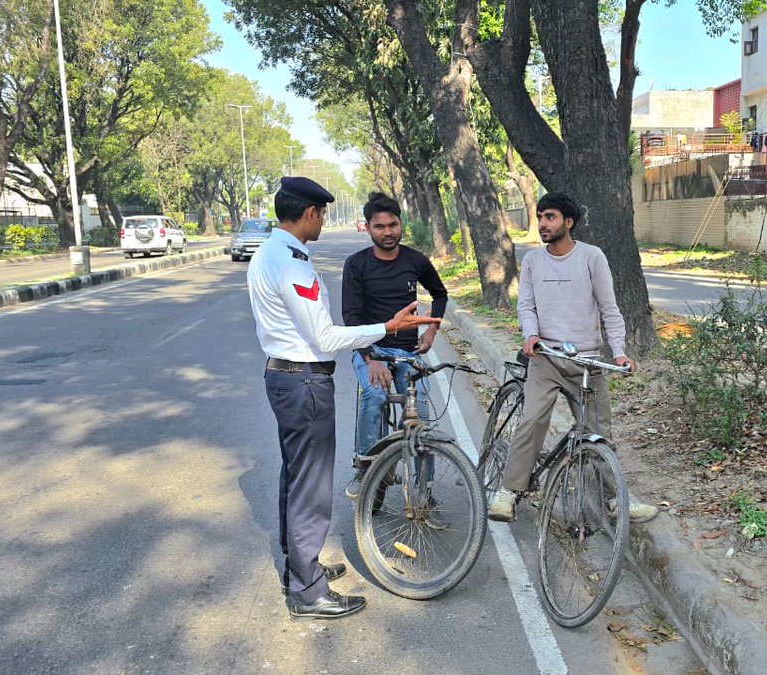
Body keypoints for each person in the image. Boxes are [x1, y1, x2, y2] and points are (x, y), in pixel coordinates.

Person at [247, 176, 440, 621]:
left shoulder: (269, 252)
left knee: (295, 479)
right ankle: (308, 593)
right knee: (310, 487)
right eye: (320, 214)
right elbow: (327, 335)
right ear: (311, 213)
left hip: (286, 376)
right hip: (303, 383)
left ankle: (300, 570)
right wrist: (387, 329)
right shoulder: (291, 262)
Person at [487, 192, 658, 524]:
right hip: (546, 357)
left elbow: (610, 310)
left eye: (549, 217)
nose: (542, 224)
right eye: (540, 217)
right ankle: (509, 491)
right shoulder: (535, 261)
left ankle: (615, 499)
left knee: (598, 431)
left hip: (588, 361)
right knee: (533, 420)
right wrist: (531, 336)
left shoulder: (592, 257)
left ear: (569, 221)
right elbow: (527, 305)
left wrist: (620, 353)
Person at [341, 192, 448, 499]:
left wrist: (430, 331)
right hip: (370, 351)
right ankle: (366, 469)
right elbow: (351, 316)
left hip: (406, 353)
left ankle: (424, 489)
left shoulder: (416, 260)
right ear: (368, 228)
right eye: (379, 226)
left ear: (401, 224)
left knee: (420, 415)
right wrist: (369, 357)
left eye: (393, 224)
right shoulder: (356, 265)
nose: (387, 232)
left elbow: (440, 294)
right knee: (374, 396)